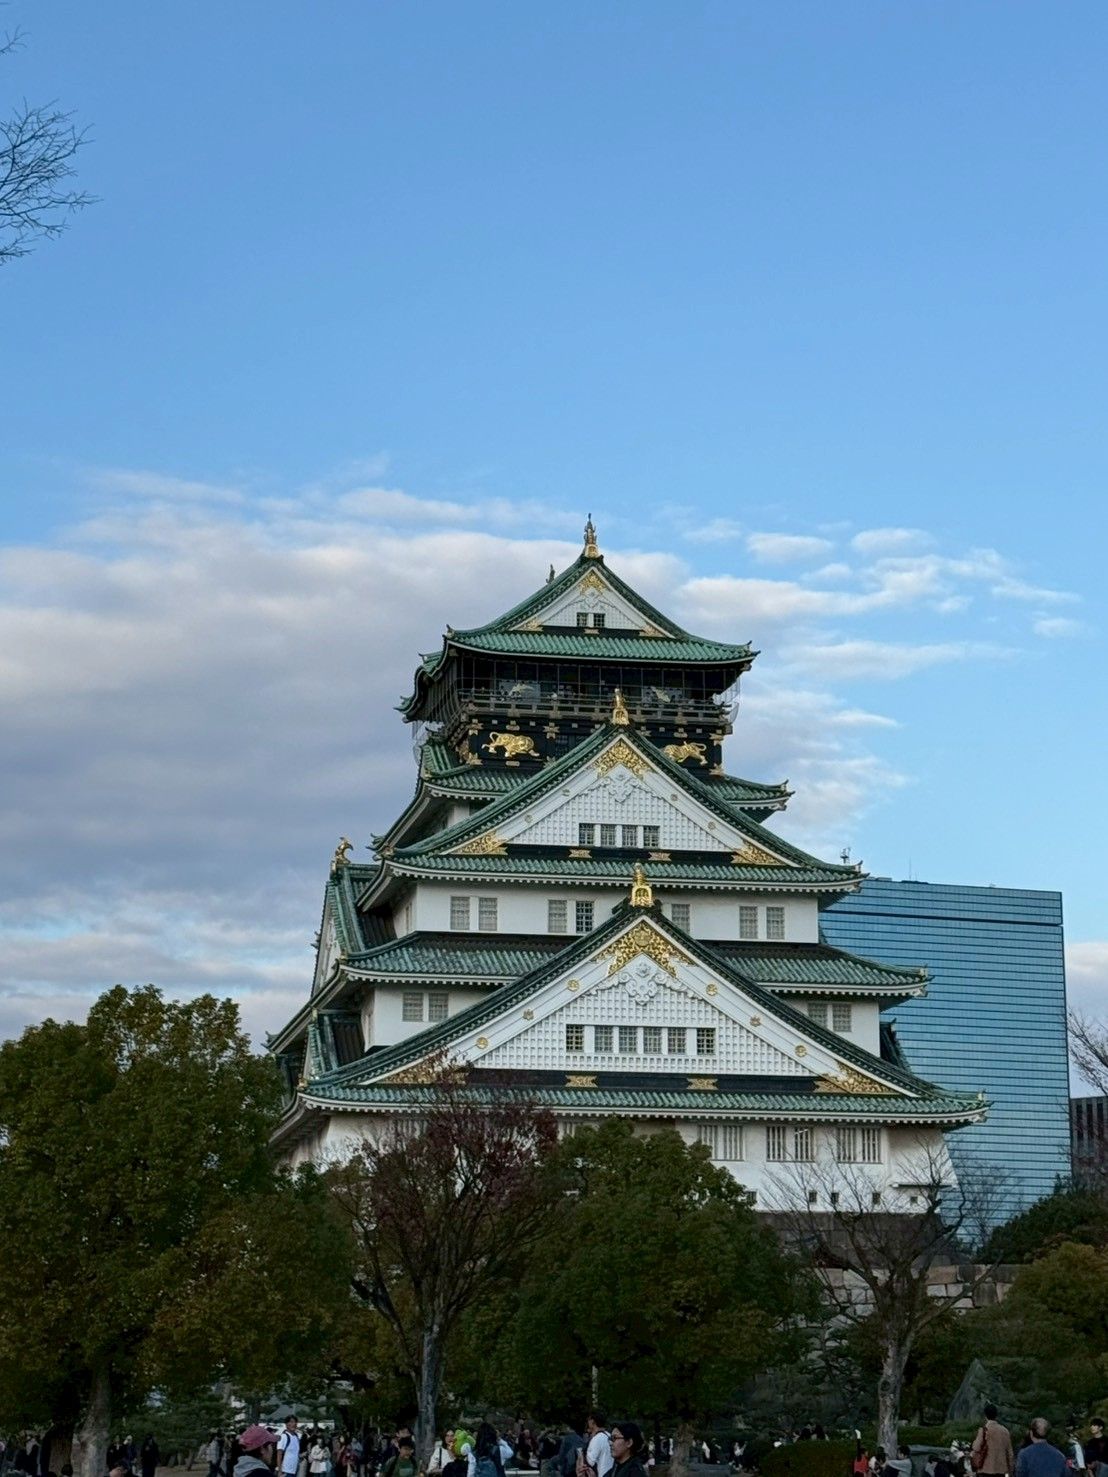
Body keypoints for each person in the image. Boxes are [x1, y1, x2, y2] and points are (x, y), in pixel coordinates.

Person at [972, 1406, 1014, 1477]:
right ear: (996, 1415)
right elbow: (1010, 1453)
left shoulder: (984, 1430)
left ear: (985, 1416)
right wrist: (1011, 1470)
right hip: (1001, 1470)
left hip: (985, 1469)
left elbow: (976, 1448)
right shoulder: (1005, 1431)